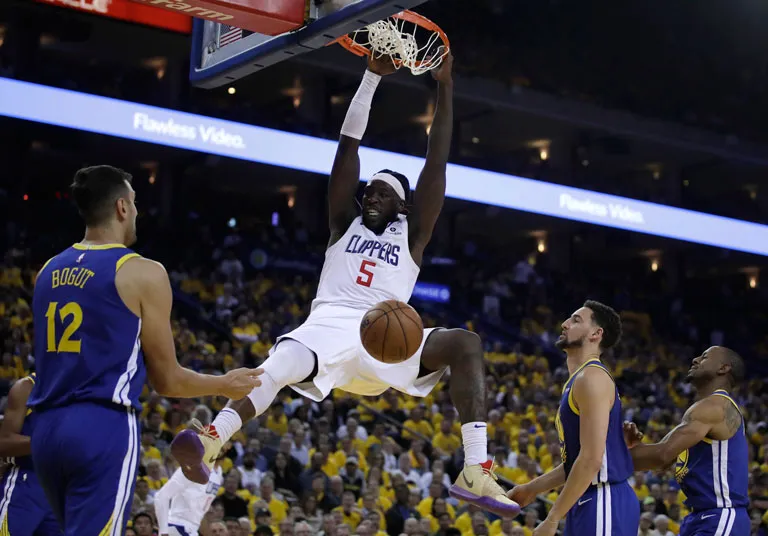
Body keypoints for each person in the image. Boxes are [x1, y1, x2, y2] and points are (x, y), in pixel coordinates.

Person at [172, 51, 517, 518]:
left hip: (386, 337)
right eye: (369, 192)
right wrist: (371, 78)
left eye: (384, 194)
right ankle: (212, 440)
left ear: (404, 208)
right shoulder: (342, 224)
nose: (371, 196)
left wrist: (446, 85)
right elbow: (346, 150)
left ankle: (475, 468)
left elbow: (436, 162)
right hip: (329, 325)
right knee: (281, 361)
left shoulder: (414, 236)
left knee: (467, 343)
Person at [27, 165, 263, 535]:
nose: (137, 212)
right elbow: (167, 380)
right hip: (101, 424)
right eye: (135, 203)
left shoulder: (46, 271)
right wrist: (224, 383)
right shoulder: (143, 272)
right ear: (122, 207)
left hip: (44, 429)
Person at [508, 301, 640, 535]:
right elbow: (579, 460)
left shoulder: (591, 378)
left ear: (596, 334)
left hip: (603, 498)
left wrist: (552, 518)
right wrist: (532, 489)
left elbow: (591, 461)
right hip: (588, 498)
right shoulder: (579, 380)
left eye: (576, 320)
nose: (564, 324)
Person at [623, 346, 749, 536]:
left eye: (705, 357)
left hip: (720, 515)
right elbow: (661, 461)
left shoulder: (715, 406)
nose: (695, 359)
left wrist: (603, 451)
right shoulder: (702, 411)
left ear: (723, 368)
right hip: (699, 517)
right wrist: (630, 448)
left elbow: (661, 455)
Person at [0, 373, 59, 535]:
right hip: (26, 482)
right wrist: (50, 442)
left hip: (63, 488)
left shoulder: (84, 391)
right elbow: (4, 443)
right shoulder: (27, 386)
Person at [155, 443, 227, 536]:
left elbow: (200, 511)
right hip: (177, 526)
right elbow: (161, 496)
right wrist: (163, 531)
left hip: (192, 528)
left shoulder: (218, 473)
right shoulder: (192, 466)